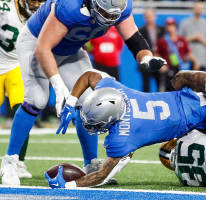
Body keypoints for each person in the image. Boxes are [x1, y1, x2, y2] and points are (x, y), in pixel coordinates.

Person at [1, 0, 167, 186]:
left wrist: (147, 58)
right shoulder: (70, 6)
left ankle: (90, 164)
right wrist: (58, 86)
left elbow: (135, 39)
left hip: (70, 50)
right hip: (36, 44)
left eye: (114, 14)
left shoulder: (121, 5)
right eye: (106, 13)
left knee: (90, 101)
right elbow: (43, 48)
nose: (110, 18)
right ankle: (10, 160)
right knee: (37, 100)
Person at [44, 68, 206, 188]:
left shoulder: (122, 137)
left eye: (97, 122)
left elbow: (102, 177)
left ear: (111, 118)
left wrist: (69, 186)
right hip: (192, 95)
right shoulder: (114, 90)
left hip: (204, 119)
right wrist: (71, 102)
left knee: (174, 156)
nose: (92, 126)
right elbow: (89, 75)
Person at [0, 0, 45, 183]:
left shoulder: (46, 14)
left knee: (24, 106)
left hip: (17, 65)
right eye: (34, 0)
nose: (37, 4)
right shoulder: (4, 8)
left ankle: (17, 161)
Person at [156, 17, 200, 90]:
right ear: (166, 28)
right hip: (168, 69)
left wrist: (196, 61)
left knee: (181, 89)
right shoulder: (162, 41)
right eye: (168, 25)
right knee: (165, 90)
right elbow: (156, 54)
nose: (170, 27)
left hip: (180, 69)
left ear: (175, 26)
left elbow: (189, 53)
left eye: (172, 25)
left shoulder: (181, 40)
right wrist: (160, 65)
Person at [179, 2, 206, 72]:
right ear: (193, 9)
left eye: (200, 8)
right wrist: (192, 37)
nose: (198, 10)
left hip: (201, 60)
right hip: (187, 60)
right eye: (197, 8)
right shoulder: (185, 23)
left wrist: (201, 39)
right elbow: (178, 40)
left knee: (201, 82)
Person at [139, 8, 165, 92]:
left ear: (155, 17)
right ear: (144, 18)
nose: (149, 18)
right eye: (147, 16)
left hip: (158, 60)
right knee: (146, 86)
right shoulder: (140, 31)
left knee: (160, 85)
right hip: (146, 61)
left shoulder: (162, 30)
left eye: (151, 16)